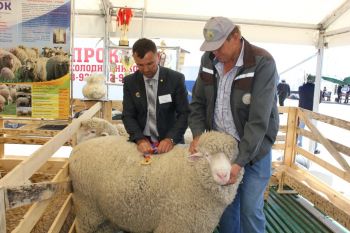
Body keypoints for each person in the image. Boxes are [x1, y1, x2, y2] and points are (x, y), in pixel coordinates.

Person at [188, 17, 279, 233]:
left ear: (235, 37)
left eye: (219, 46)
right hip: (222, 150)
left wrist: (240, 161)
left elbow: (259, 121)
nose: (215, 53)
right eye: (211, 48)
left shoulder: (262, 63)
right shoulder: (208, 60)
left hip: (254, 149)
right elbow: (198, 103)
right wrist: (200, 136)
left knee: (249, 209)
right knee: (226, 207)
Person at [122, 38, 189, 154]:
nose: (146, 69)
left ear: (158, 56)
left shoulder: (176, 79)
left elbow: (184, 113)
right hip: (142, 144)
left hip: (170, 144)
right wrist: (139, 139)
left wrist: (170, 139)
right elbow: (128, 115)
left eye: (150, 63)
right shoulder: (130, 82)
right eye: (140, 65)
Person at [297, 75, 320, 153]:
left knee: (301, 128)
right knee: (314, 129)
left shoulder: (301, 88)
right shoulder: (316, 89)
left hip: (302, 110)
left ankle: (298, 144)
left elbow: (301, 96)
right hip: (312, 111)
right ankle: (315, 148)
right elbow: (319, 101)